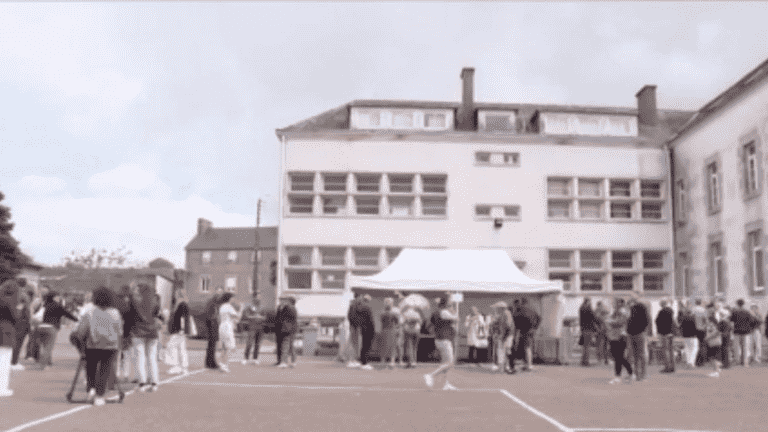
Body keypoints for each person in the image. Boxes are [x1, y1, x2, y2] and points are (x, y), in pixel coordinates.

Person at [71, 287, 122, 406]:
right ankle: (100, 395)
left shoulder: (90, 312)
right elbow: (119, 330)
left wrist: (78, 339)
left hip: (93, 344)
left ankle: (91, 389)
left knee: (91, 369)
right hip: (110, 345)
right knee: (104, 370)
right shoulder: (115, 313)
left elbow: (81, 331)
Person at [127, 283, 163, 392]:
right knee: (152, 358)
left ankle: (142, 383)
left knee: (140, 358)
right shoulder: (154, 301)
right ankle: (154, 382)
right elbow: (157, 314)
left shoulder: (135, 301)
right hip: (152, 331)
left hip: (138, 331)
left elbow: (130, 315)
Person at [35, 291, 78, 370]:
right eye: (58, 296)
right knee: (48, 348)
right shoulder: (57, 306)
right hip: (51, 328)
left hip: (41, 327)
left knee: (45, 346)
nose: (59, 298)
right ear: (54, 297)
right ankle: (42, 366)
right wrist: (77, 319)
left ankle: (48, 363)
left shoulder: (45, 304)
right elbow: (67, 314)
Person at [423, 295, 459, 390]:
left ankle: (445, 384)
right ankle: (430, 375)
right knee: (450, 362)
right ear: (446, 304)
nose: (451, 304)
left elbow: (429, 326)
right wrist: (453, 311)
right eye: (449, 303)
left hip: (439, 340)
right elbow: (457, 319)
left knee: (444, 363)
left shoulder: (435, 313)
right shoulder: (445, 313)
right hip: (445, 340)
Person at [0, 279, 21, 397]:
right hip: (6, 332)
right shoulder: (11, 302)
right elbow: (15, 318)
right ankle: (2, 388)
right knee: (3, 362)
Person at [606, 298, 632, 384]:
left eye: (616, 303)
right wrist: (610, 322)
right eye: (614, 303)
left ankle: (617, 377)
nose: (614, 304)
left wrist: (611, 322)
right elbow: (608, 321)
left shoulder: (624, 312)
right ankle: (631, 372)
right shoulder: (614, 312)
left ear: (621, 304)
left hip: (621, 336)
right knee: (618, 357)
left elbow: (620, 323)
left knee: (618, 357)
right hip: (613, 336)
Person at [166, 289, 191, 375]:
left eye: (176, 294)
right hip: (180, 330)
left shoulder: (181, 305)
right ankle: (184, 367)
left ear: (178, 295)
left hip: (178, 330)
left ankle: (176, 366)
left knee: (171, 346)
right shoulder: (183, 304)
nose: (175, 295)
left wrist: (182, 329)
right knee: (181, 348)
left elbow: (182, 318)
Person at [626, 293, 650, 382]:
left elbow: (646, 320)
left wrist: (642, 330)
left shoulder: (641, 307)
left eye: (633, 297)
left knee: (641, 354)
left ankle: (643, 375)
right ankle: (636, 374)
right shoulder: (631, 308)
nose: (631, 298)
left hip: (639, 333)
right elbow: (628, 320)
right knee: (635, 355)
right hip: (631, 333)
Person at [730, 299, 759, 367]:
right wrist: (751, 328)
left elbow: (731, 321)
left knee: (737, 347)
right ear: (743, 304)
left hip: (737, 331)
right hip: (746, 332)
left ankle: (738, 361)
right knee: (745, 347)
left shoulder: (734, 312)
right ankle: (745, 362)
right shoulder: (747, 312)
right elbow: (753, 321)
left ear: (737, 304)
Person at [217, 293, 241, 373]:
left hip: (222, 326)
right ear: (229, 299)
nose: (233, 299)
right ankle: (224, 365)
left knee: (224, 347)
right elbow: (237, 316)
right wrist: (241, 309)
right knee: (229, 347)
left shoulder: (222, 306)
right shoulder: (229, 306)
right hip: (227, 327)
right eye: (232, 298)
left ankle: (222, 363)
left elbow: (228, 317)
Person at [514, 298, 540, 372]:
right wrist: (535, 328)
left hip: (524, 331)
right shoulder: (532, 309)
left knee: (526, 348)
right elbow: (539, 318)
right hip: (531, 331)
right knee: (527, 347)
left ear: (521, 303)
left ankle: (529, 365)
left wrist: (516, 333)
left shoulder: (520, 310)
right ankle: (527, 364)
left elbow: (516, 323)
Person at [10, 289, 31, 371]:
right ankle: (13, 362)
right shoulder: (21, 305)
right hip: (20, 327)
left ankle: (13, 361)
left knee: (16, 345)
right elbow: (22, 316)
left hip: (18, 327)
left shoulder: (15, 304)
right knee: (17, 345)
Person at [274, 296, 298, 369]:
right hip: (291, 329)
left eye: (286, 300)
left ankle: (284, 362)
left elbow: (283, 317)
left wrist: (282, 308)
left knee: (285, 345)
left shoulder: (288, 308)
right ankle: (293, 361)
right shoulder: (293, 308)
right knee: (290, 345)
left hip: (287, 329)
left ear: (289, 301)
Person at [204, 288, 224, 370]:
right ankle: (210, 363)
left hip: (215, 325)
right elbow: (208, 314)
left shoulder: (218, 303)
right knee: (211, 345)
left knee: (212, 345)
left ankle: (210, 362)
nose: (219, 294)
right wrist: (211, 323)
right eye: (218, 292)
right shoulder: (212, 302)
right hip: (212, 325)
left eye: (221, 293)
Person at [241, 297, 266, 365]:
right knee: (249, 343)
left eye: (258, 301)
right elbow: (246, 316)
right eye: (256, 301)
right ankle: (246, 358)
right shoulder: (249, 308)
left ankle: (255, 358)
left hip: (260, 327)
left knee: (257, 344)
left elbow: (265, 317)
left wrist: (260, 317)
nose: (257, 302)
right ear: (253, 301)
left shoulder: (262, 308)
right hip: (252, 327)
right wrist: (255, 317)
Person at [655, 299, 675, 373]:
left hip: (664, 333)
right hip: (671, 333)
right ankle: (672, 366)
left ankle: (667, 367)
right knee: (671, 350)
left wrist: (659, 332)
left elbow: (658, 321)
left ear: (661, 304)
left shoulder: (661, 312)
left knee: (665, 350)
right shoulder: (671, 311)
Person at [355, 295, 375, 371]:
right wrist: (372, 328)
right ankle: (364, 363)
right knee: (367, 346)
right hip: (368, 328)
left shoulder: (360, 307)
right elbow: (370, 320)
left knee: (364, 345)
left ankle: (363, 361)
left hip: (363, 328)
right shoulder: (367, 307)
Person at [380, 298, 400, 369]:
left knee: (384, 346)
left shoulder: (382, 314)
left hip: (384, 330)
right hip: (392, 330)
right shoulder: (393, 314)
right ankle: (392, 361)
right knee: (392, 347)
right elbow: (397, 323)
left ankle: (383, 361)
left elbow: (381, 322)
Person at [705, 303, 724, 378]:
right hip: (714, 342)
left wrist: (708, 338)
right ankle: (717, 369)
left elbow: (716, 333)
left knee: (714, 357)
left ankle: (716, 371)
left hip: (714, 342)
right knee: (715, 357)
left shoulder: (712, 325)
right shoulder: (713, 324)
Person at [345, 293, 363, 368]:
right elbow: (350, 316)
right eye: (360, 297)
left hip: (355, 326)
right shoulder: (354, 305)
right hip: (354, 326)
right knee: (353, 343)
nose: (361, 299)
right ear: (357, 297)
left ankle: (354, 360)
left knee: (355, 344)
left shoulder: (354, 304)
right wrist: (356, 324)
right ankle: (351, 360)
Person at [579, 298, 597, 367]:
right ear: (588, 302)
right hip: (589, 329)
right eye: (590, 302)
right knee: (587, 346)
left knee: (584, 346)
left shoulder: (581, 309)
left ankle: (583, 361)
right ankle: (586, 362)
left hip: (583, 329)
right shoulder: (588, 310)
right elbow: (594, 318)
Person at [691, 299, 708, 367]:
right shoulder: (703, 310)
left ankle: (696, 361)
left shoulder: (693, 309)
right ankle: (702, 361)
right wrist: (704, 327)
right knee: (702, 345)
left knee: (695, 346)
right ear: (700, 303)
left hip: (695, 330)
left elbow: (691, 319)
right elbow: (706, 320)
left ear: (695, 302)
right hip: (702, 330)